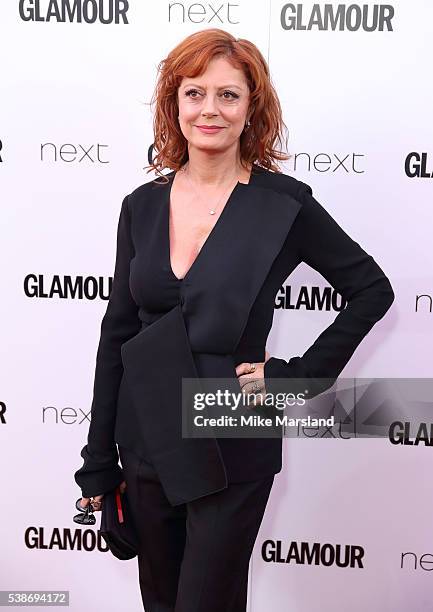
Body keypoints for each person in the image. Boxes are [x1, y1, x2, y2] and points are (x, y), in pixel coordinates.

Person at [74, 28, 394, 611]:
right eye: (195, 93)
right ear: (175, 104)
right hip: (145, 434)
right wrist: (99, 463)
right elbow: (116, 336)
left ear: (253, 108)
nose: (210, 110)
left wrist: (301, 376)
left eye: (228, 95)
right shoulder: (141, 206)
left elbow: (371, 289)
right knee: (162, 603)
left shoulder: (284, 205)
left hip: (230, 427)